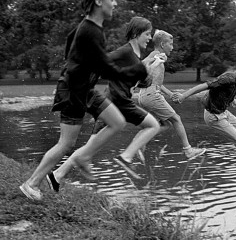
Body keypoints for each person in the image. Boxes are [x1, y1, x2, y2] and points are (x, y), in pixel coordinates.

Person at [19, 0, 148, 201]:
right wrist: (136, 70)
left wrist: (76, 64)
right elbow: (108, 68)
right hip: (72, 93)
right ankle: (31, 184)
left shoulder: (89, 28)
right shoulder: (90, 31)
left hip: (84, 89)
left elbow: (73, 44)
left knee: (117, 121)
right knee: (66, 143)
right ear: (99, 1)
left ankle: (84, 156)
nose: (114, 3)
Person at [49, 16, 163, 184]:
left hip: (116, 101)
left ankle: (57, 175)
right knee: (153, 125)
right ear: (136, 34)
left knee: (89, 148)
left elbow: (139, 80)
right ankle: (126, 157)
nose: (150, 38)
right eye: (147, 34)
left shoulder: (134, 55)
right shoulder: (125, 52)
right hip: (117, 102)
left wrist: (152, 66)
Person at [138, 29, 206, 160]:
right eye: (171, 44)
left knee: (166, 124)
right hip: (150, 94)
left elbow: (156, 82)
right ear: (163, 44)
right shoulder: (156, 54)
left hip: (146, 95)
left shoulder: (157, 56)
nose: (173, 47)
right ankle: (188, 150)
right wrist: (154, 59)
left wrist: (170, 94)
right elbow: (141, 64)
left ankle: (142, 139)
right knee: (176, 119)